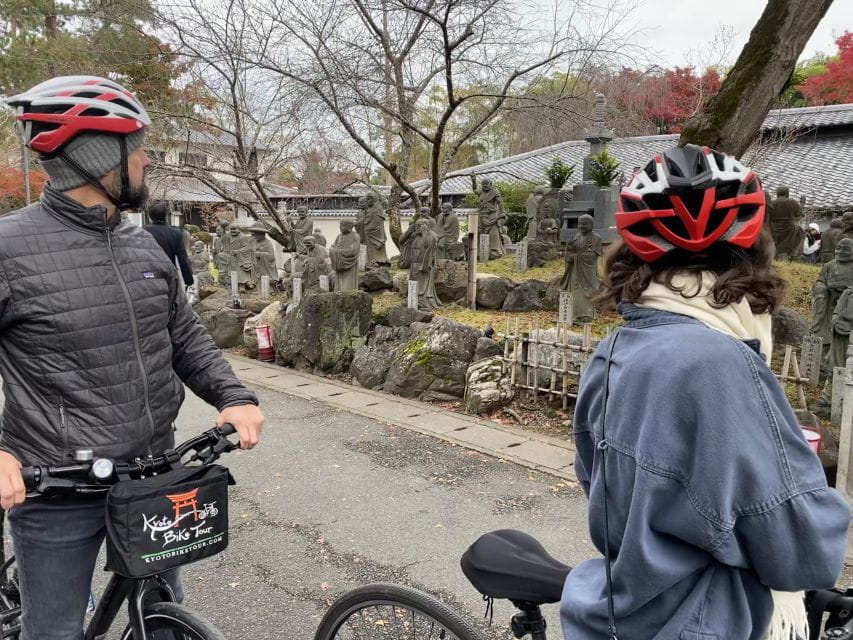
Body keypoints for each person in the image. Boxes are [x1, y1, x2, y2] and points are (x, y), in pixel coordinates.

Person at [4, 75, 265, 640]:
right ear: (97, 157)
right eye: (136, 146)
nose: (147, 159)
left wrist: (234, 395)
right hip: (56, 491)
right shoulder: (8, 249)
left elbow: (184, 335)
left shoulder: (142, 242)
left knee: (164, 622)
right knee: (53, 632)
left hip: (154, 475)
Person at [562, 144, 850, 640]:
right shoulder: (721, 362)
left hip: (619, 608)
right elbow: (799, 545)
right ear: (753, 254)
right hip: (698, 618)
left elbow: (599, 485)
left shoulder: (613, 353)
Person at [144, 201, 195, 287]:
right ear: (166, 215)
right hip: (168, 274)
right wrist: (188, 280)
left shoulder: (143, 231)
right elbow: (183, 259)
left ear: (150, 216)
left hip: (147, 274)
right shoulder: (175, 233)